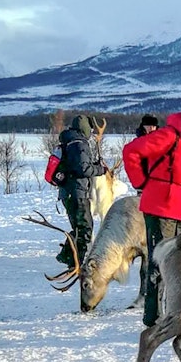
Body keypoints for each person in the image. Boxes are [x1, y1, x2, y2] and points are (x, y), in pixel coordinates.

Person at [123, 98, 181, 327]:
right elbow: (131, 152)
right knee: (160, 262)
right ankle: (153, 318)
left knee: (180, 261)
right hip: (160, 207)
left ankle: (177, 310)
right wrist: (142, 182)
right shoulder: (168, 136)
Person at [53, 114, 107, 267]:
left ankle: (69, 257)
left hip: (68, 192)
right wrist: (100, 169)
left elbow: (77, 165)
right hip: (78, 192)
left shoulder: (68, 142)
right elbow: (83, 169)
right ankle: (77, 263)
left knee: (78, 228)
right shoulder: (79, 144)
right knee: (85, 229)